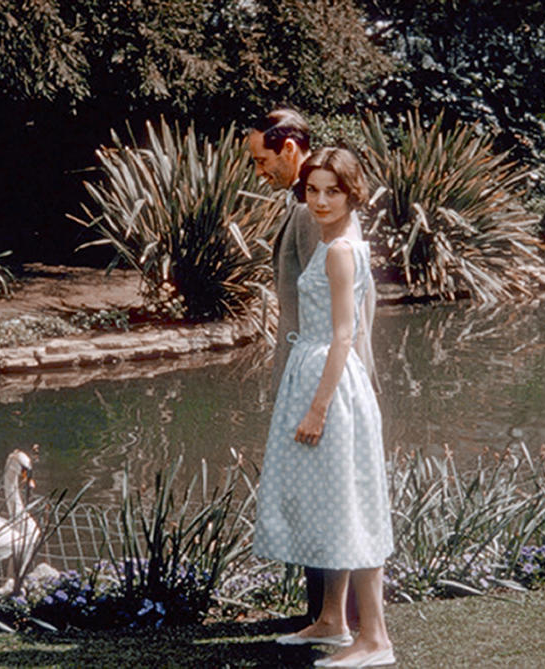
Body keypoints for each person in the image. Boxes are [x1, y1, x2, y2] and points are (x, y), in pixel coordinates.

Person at [254, 147, 394, 668]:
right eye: (312, 190)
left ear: (351, 192)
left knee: (351, 508)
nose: (319, 200)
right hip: (319, 374)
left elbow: (343, 336)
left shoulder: (339, 251)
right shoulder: (341, 241)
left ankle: (375, 638)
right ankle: (333, 619)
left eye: (332, 191)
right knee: (336, 502)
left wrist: (317, 409)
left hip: (329, 382)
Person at [247, 109, 326, 623]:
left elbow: (329, 299)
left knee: (318, 492)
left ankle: (327, 615)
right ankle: (320, 613)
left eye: (263, 160)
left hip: (312, 370)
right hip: (302, 366)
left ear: (290, 149)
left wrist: (311, 389)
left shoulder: (309, 212)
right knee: (306, 492)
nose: (259, 172)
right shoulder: (302, 205)